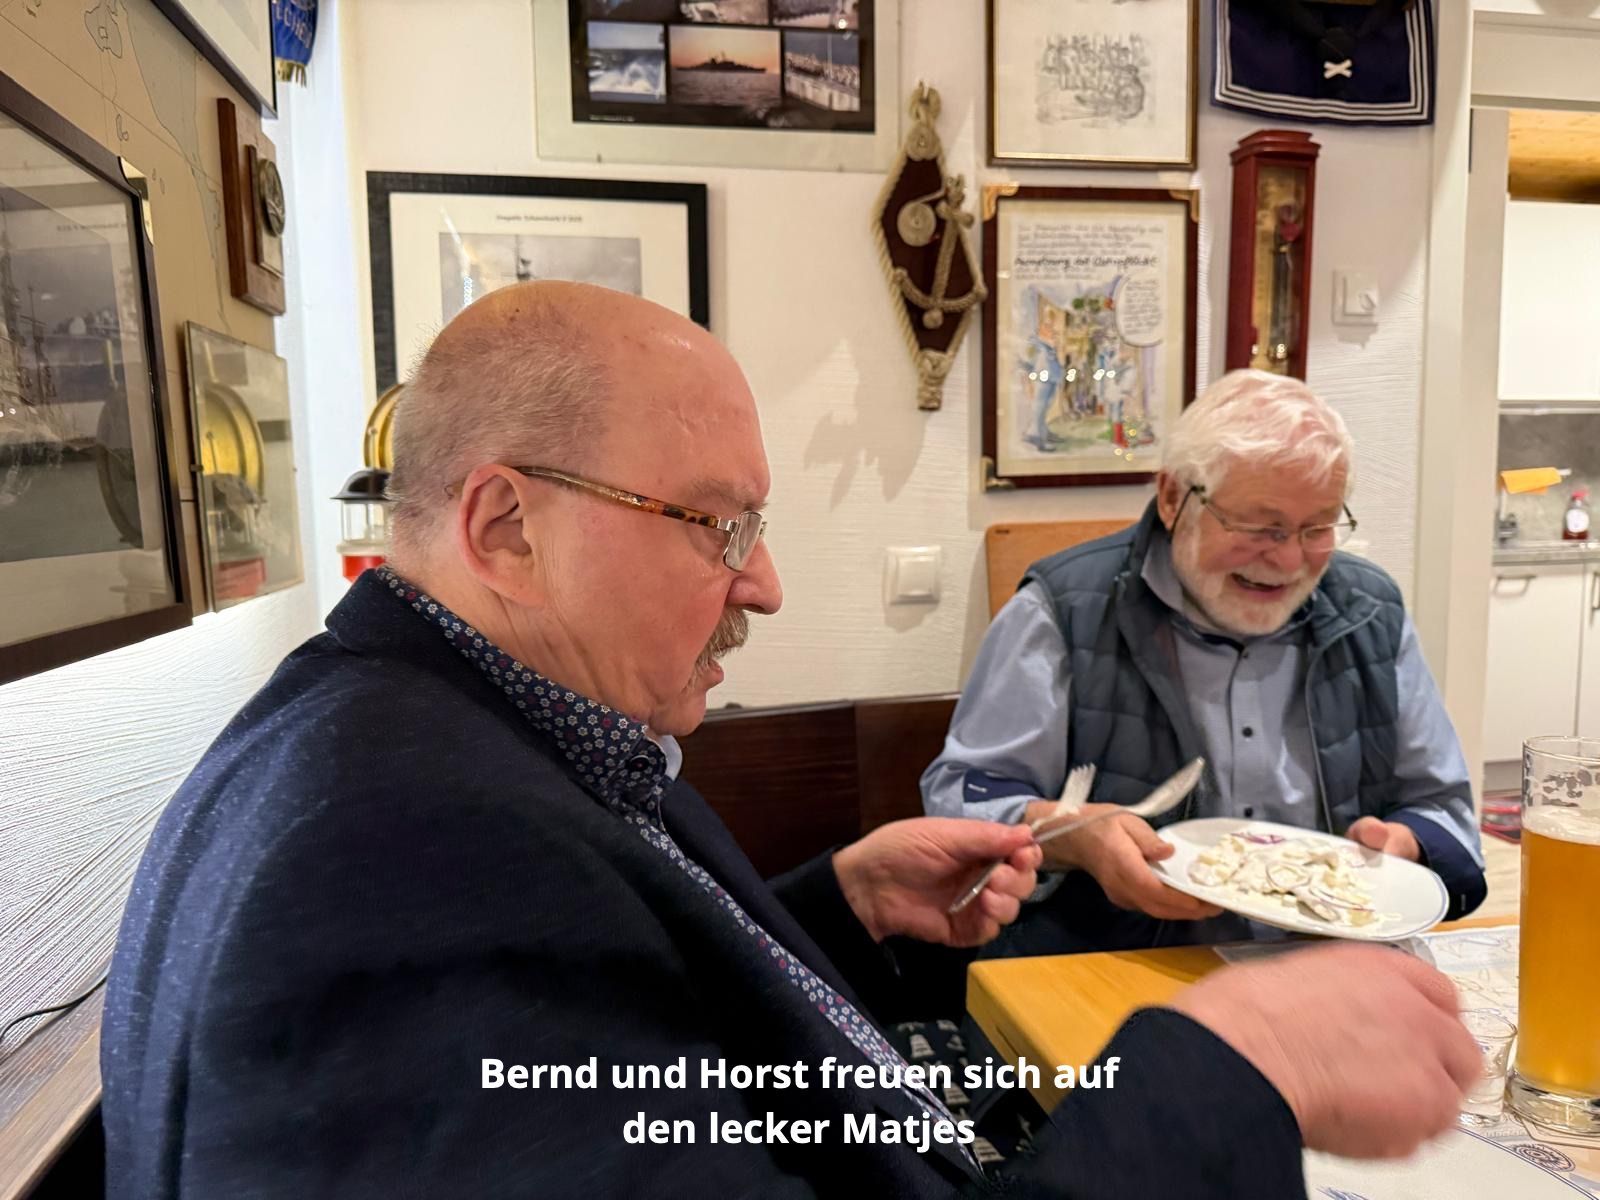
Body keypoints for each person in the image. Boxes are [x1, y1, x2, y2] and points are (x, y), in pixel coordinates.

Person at [103, 286, 1478, 1198]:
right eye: (717, 526)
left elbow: (643, 1034)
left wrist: (836, 910)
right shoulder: (403, 861)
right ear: (506, 527)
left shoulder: (420, 736)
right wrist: (1236, 1061)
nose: (761, 585)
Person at [924, 369, 1486, 954]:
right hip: (1126, 961)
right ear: (1173, 498)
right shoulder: (1066, 611)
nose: (1290, 560)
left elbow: (1443, 811)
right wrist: (1075, 837)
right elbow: (961, 800)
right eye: (1261, 527)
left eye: (1317, 527)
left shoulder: (1370, 613)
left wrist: (1406, 846)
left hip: (1330, 963)